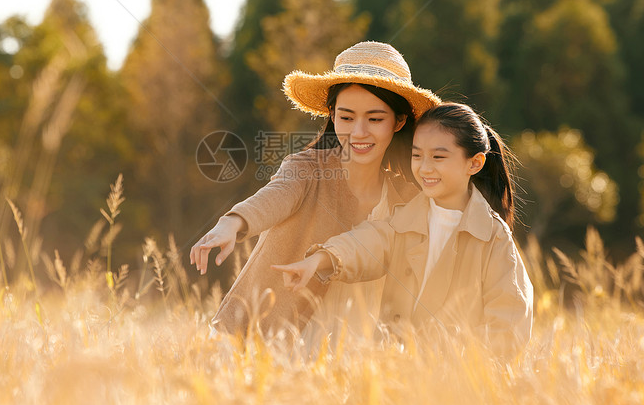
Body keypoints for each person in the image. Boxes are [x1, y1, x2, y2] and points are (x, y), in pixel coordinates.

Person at [189, 41, 440, 337]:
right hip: (282, 338)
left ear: (398, 121)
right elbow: (276, 195)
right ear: (332, 115)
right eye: (347, 117)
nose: (358, 132)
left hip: (367, 352)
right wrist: (233, 222)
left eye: (374, 119)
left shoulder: (408, 197)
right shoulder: (307, 168)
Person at [273, 102, 534, 358]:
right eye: (417, 155)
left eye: (438, 157)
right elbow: (366, 243)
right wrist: (321, 259)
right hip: (391, 370)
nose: (425, 167)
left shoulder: (493, 238)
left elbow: (509, 322)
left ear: (474, 163)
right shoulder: (405, 218)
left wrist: (462, 364)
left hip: (451, 383)